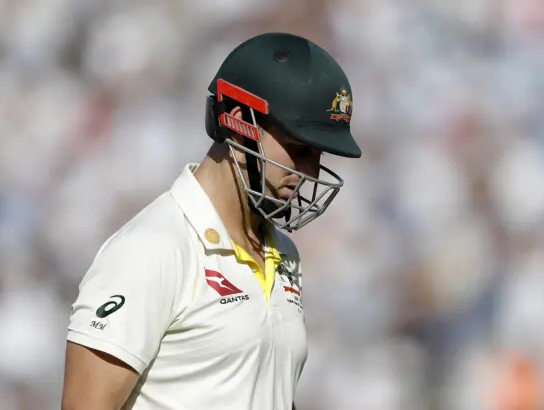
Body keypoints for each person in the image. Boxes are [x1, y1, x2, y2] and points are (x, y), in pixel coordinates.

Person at [61, 32, 362, 410]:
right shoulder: (152, 248)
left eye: (318, 154)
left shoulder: (283, 253)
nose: (308, 171)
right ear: (238, 123)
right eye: (299, 148)